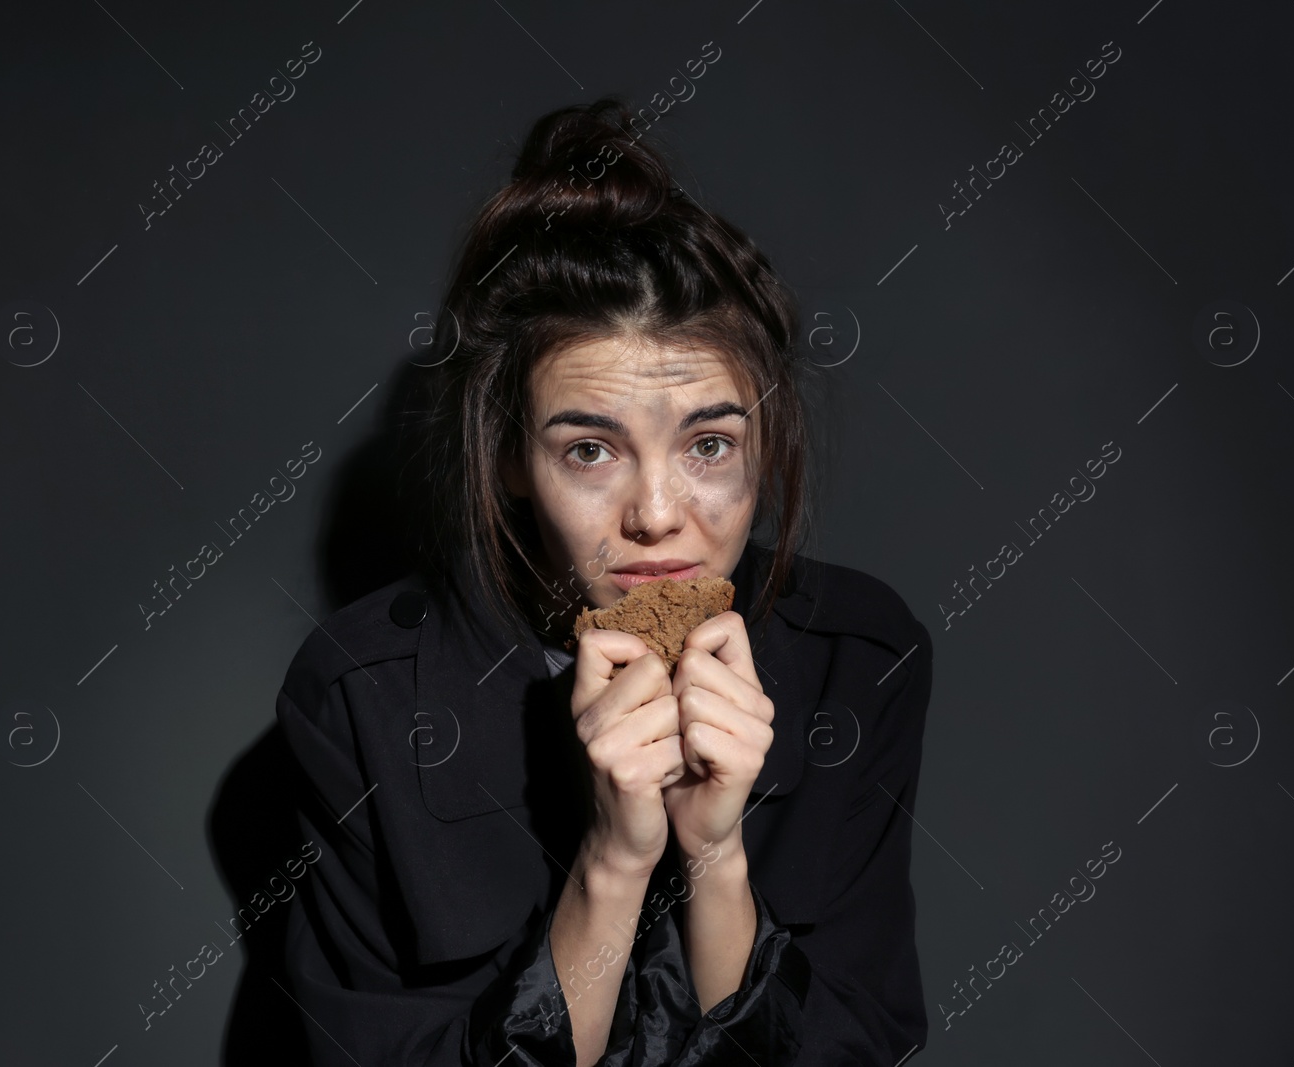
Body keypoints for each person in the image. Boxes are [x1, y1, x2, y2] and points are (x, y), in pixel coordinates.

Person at [275, 96, 934, 1066]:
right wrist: (615, 861)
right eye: (591, 449)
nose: (658, 513)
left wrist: (714, 856)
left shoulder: (857, 656)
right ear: (507, 457)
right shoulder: (361, 693)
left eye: (708, 442)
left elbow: (849, 1044)